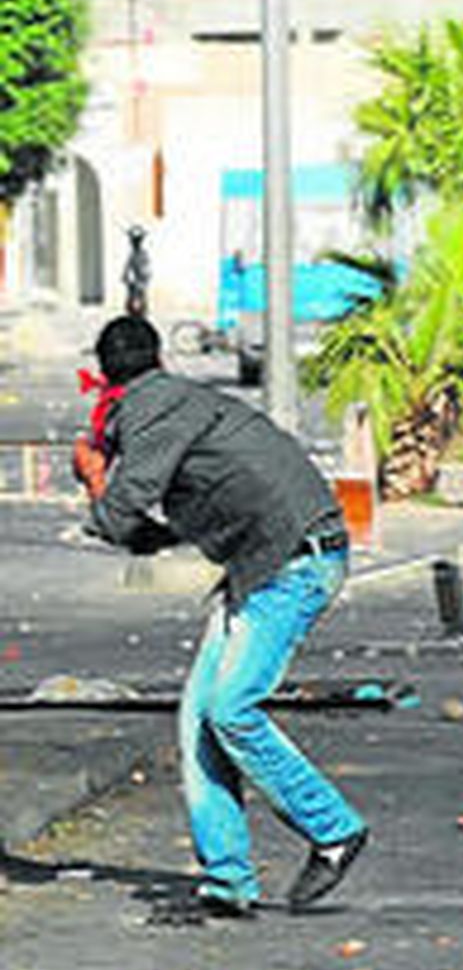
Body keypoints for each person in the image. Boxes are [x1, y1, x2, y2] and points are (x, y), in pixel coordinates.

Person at [71, 316, 368, 917]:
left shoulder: (151, 413)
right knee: (198, 721)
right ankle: (228, 881)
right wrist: (121, 509)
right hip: (266, 564)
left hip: (292, 565)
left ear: (105, 373)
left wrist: (95, 479)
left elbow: (121, 510)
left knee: (231, 708)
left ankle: (333, 829)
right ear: (157, 357)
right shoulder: (182, 402)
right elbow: (151, 532)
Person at [123, 224, 152, 317]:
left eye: (135, 241)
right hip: (133, 285)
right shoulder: (133, 255)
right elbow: (127, 268)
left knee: (140, 303)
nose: (133, 243)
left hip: (140, 284)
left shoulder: (143, 255)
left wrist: (138, 283)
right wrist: (126, 278)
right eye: (132, 241)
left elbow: (146, 272)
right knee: (130, 305)